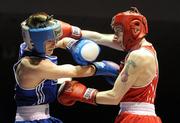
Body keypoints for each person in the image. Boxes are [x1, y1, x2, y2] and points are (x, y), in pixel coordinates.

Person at [58, 7, 162, 123]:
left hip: (138, 118)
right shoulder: (143, 48)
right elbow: (99, 37)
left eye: (118, 31)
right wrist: (71, 31)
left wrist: (82, 94)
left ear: (134, 29)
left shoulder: (139, 56)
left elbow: (114, 97)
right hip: (137, 116)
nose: (115, 36)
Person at [13, 12, 120, 123]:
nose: (54, 44)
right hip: (31, 120)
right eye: (50, 41)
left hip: (44, 118)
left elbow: (62, 41)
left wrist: (73, 45)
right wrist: (103, 67)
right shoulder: (34, 65)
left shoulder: (29, 46)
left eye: (55, 39)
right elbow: (76, 71)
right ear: (35, 42)